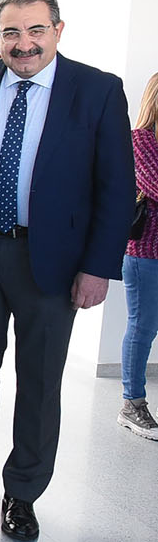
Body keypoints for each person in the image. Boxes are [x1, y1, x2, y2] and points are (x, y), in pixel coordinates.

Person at [0, 0, 133, 542]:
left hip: (52, 261)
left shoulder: (96, 91)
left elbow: (117, 189)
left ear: (58, 31)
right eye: (11, 33)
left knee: (40, 380)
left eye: (35, 31)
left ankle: (22, 492)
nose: (23, 44)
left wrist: (98, 267)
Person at [120, 71, 158, 441]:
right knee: (143, 327)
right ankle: (133, 403)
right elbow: (155, 185)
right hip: (147, 252)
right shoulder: (141, 140)